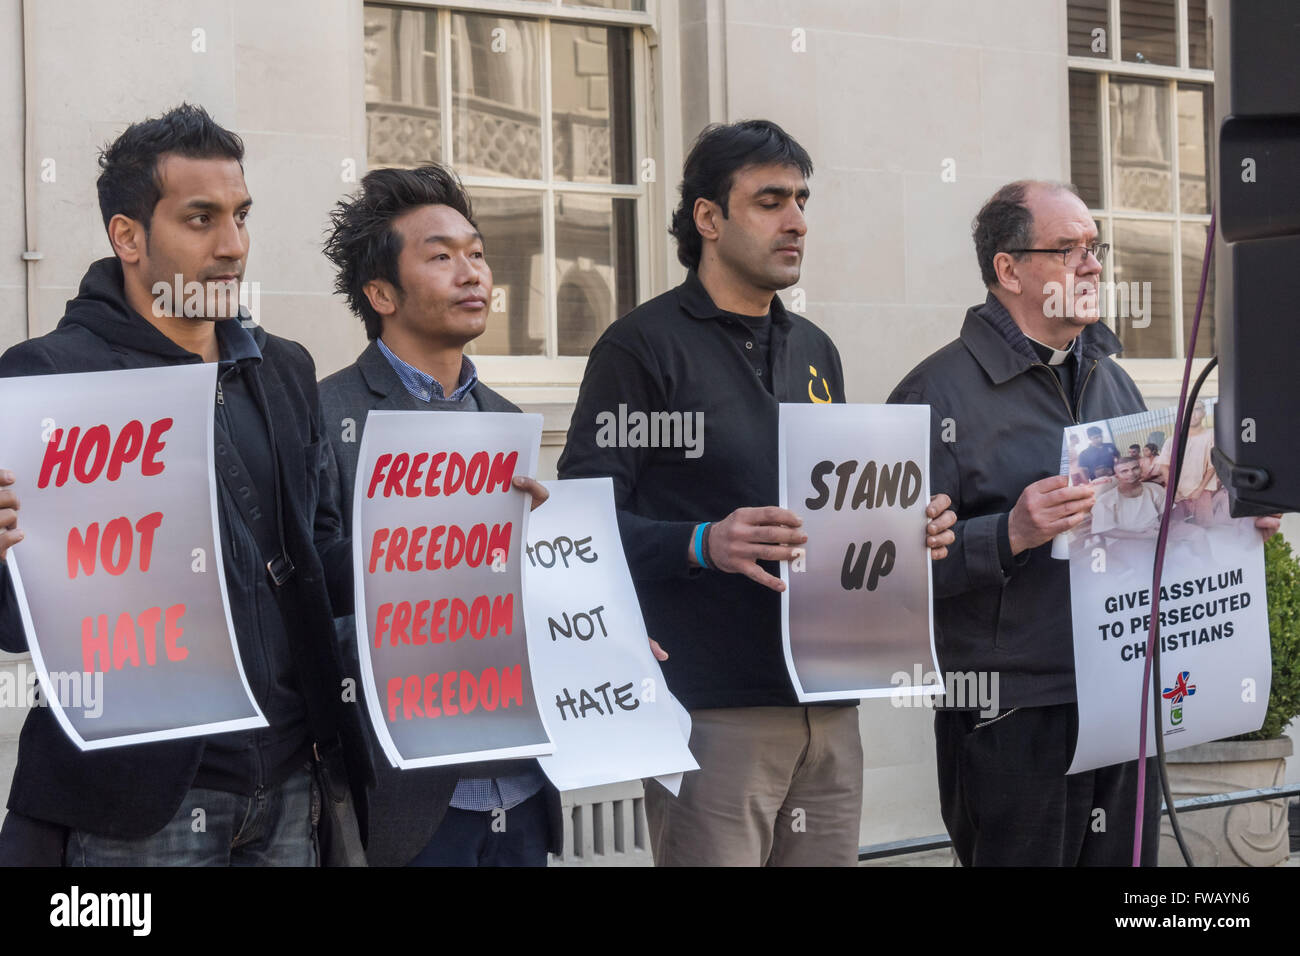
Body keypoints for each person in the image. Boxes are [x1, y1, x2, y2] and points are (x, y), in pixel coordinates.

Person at [557, 119, 956, 867]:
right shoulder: (641, 348)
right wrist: (703, 542)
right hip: (713, 709)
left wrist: (907, 526)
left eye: (802, 199)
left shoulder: (814, 349)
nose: (797, 220)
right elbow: (580, 523)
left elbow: (835, 509)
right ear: (708, 218)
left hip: (831, 705)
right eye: (770, 200)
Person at [0, 104, 371, 866]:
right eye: (200, 219)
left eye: (240, 216)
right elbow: (17, 624)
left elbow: (320, 555)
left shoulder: (285, 369)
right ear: (128, 237)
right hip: (137, 800)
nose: (232, 246)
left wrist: (438, 542)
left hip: (293, 779)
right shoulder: (48, 378)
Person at [888, 179, 1280, 866]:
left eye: (1095, 247)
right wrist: (1008, 532)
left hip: (1121, 693)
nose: (1093, 264)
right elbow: (887, 577)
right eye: (1068, 249)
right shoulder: (931, 397)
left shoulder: (1111, 378)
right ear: (1008, 269)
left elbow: (1153, 521)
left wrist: (1228, 519)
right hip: (1013, 712)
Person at [318, 164, 563, 866]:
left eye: (478, 253)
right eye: (441, 256)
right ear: (381, 293)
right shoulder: (325, 414)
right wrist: (419, 556)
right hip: (407, 798)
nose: (472, 273)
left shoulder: (510, 424)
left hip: (521, 791)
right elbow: (308, 590)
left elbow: (537, 587)